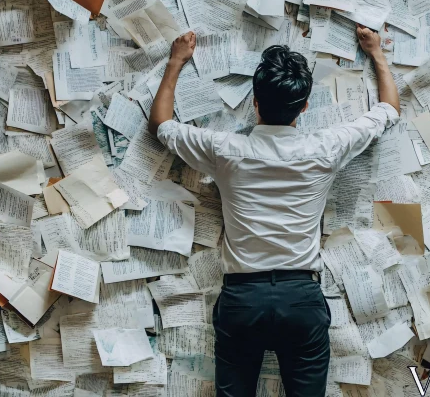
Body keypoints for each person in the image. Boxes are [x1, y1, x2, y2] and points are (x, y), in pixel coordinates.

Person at [147, 25, 400, 397]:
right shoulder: (326, 148)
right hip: (301, 300)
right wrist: (376, 52)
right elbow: (390, 110)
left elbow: (161, 125)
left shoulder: (225, 150)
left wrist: (175, 61)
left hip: (242, 300)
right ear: (305, 106)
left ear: (256, 103)